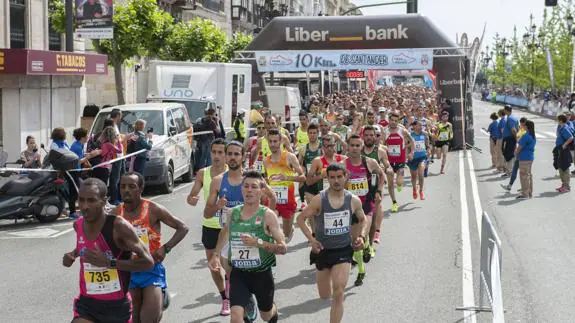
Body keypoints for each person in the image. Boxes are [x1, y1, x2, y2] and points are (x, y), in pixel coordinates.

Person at [62, 178, 154, 323]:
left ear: (104, 201)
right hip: (87, 304)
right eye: (81, 200)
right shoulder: (78, 225)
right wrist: (71, 255)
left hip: (116, 308)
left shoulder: (118, 226)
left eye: (91, 200)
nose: (85, 206)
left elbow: (148, 262)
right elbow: (84, 247)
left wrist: (108, 263)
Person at [204, 141, 277, 320]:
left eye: (237, 154)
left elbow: (272, 197)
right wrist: (218, 206)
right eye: (230, 154)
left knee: (255, 277)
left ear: (243, 156)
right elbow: (207, 214)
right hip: (231, 235)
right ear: (226, 156)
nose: (233, 157)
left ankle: (254, 298)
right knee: (230, 270)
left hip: (255, 235)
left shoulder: (252, 179)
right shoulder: (218, 181)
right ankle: (245, 299)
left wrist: (268, 219)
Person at [208, 171, 287, 323]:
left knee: (266, 315)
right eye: (246, 186)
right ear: (241, 190)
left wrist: (258, 243)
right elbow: (224, 233)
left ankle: (272, 309)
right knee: (236, 318)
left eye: (254, 187)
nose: (249, 190)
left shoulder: (268, 215)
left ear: (261, 191)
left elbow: (283, 248)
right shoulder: (232, 213)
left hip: (262, 275)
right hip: (239, 273)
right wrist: (216, 255)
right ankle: (247, 303)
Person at [298, 163, 366, 323]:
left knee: (339, 292)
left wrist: (361, 237)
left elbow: (362, 220)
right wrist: (312, 240)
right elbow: (300, 219)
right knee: (324, 295)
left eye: (339, 177)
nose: (336, 181)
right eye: (332, 177)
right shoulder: (319, 200)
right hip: (323, 251)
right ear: (327, 179)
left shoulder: (353, 200)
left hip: (343, 251)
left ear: (345, 177)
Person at [117, 172, 189, 323]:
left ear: (141, 188)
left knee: (149, 319)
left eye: (132, 186)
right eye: (123, 186)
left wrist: (165, 248)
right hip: (128, 272)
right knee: (132, 319)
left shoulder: (153, 209)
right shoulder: (116, 213)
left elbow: (182, 227)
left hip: (151, 270)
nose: (127, 190)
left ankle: (159, 295)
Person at [186, 138, 230, 316]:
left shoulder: (231, 173)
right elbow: (191, 197)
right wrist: (192, 199)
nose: (217, 156)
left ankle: (234, 291)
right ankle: (224, 298)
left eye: (221, 152)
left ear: (226, 155)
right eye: (214, 152)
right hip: (210, 225)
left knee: (230, 265)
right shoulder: (203, 173)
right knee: (213, 265)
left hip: (229, 225)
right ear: (210, 153)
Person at [263, 129, 306, 242]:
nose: (272, 144)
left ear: (280, 141)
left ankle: (289, 230)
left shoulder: (290, 157)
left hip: (288, 200)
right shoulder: (266, 161)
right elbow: (266, 180)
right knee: (268, 228)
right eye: (270, 141)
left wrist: (287, 178)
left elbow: (303, 177)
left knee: (286, 236)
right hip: (273, 201)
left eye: (275, 141)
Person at [382, 111, 415, 213]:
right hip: (389, 161)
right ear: (389, 120)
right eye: (392, 120)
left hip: (400, 160)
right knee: (390, 184)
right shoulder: (385, 132)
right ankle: (394, 203)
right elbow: (382, 145)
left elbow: (412, 141)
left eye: (396, 121)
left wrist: (411, 152)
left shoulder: (402, 131)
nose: (393, 122)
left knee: (399, 182)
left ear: (398, 121)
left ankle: (400, 184)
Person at [501, 117, 527, 192]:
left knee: (524, 173)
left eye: (522, 125)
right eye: (520, 125)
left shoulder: (525, 133)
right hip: (518, 154)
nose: (521, 126)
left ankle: (525, 188)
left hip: (523, 155)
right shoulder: (522, 130)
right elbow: (517, 137)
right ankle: (510, 186)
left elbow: (518, 139)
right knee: (515, 170)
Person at [408, 120, 431, 200]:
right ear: (414, 126)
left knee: (421, 173)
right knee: (414, 176)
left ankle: (421, 191)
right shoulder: (410, 135)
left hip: (422, 157)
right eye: (419, 125)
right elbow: (407, 147)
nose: (421, 127)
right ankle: (414, 189)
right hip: (413, 159)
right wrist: (409, 154)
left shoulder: (425, 134)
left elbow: (428, 146)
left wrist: (428, 151)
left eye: (422, 125)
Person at [515, 120, 536, 199]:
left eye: (524, 125)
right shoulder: (532, 135)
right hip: (530, 157)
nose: (522, 126)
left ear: (526, 126)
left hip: (524, 157)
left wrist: (516, 153)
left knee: (524, 175)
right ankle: (529, 192)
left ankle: (525, 193)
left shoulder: (526, 135)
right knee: (528, 175)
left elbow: (519, 146)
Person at [109, 109, 125, 205]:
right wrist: (125, 138)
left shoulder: (115, 125)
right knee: (115, 178)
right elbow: (115, 141)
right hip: (116, 156)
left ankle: (120, 197)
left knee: (122, 176)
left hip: (120, 155)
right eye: (121, 115)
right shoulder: (111, 126)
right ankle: (114, 199)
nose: (121, 117)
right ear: (118, 115)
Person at [554, 114, 573, 193]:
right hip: (560, 149)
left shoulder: (565, 128)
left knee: (565, 167)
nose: (556, 120)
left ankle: (566, 186)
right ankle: (564, 185)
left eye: (557, 119)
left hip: (564, 150)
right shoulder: (561, 127)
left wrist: (564, 145)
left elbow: (571, 137)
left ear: (561, 120)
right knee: (561, 167)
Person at [501, 105, 519, 178]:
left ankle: (509, 171)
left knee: (509, 155)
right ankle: (509, 171)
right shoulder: (512, 117)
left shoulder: (510, 119)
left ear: (506, 110)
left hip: (510, 139)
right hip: (510, 138)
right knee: (509, 154)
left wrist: (516, 139)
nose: (503, 111)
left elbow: (514, 130)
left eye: (504, 110)